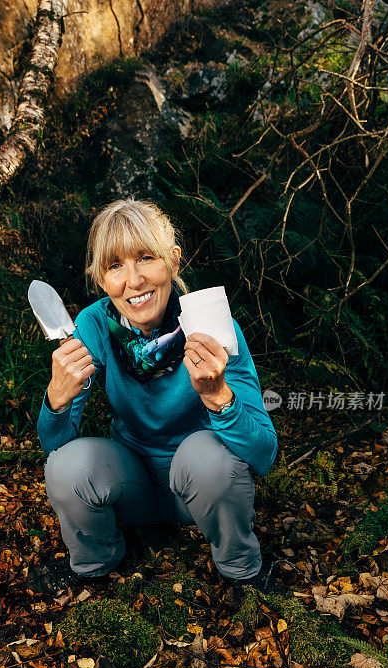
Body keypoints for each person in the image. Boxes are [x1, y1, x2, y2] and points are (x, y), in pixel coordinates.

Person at [33, 198, 278, 595]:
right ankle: (97, 564)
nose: (133, 280)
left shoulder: (211, 326)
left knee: (207, 456)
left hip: (201, 488)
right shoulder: (93, 325)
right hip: (132, 489)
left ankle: (241, 571)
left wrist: (219, 395)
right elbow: (54, 448)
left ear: (174, 261)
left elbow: (264, 454)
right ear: (101, 279)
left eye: (146, 258)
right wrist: (57, 401)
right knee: (67, 466)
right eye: (115, 265)